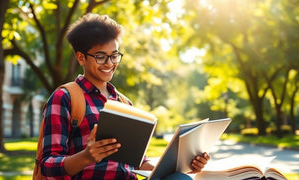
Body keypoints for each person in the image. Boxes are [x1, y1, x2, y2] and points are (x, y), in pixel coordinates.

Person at [39, 13, 210, 180]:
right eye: (100, 56)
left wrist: (185, 165)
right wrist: (87, 156)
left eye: (114, 55)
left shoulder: (124, 103)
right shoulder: (65, 97)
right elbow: (47, 165)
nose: (109, 63)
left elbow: (138, 162)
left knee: (180, 178)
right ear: (81, 58)